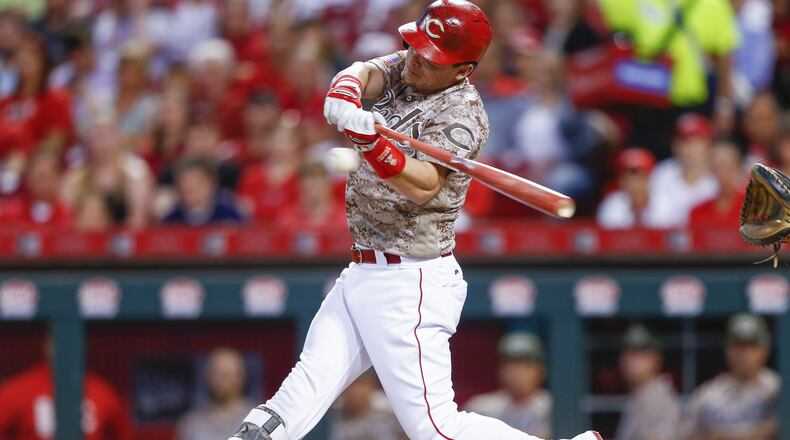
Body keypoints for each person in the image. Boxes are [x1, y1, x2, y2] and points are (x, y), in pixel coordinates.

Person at [228, 2, 599, 440]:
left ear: (462, 70)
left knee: (435, 428)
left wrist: (371, 143)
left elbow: (424, 184)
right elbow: (365, 70)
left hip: (410, 280)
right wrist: (344, 92)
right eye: (415, 47)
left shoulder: (462, 113)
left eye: (431, 58)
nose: (416, 60)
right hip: (363, 271)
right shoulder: (412, 63)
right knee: (295, 401)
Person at [0, 334, 131, 440]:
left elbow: (123, 434)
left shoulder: (102, 391)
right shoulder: (18, 390)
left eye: (71, 341)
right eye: (58, 340)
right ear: (46, 344)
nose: (65, 348)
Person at [681, 313, 780, 440]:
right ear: (728, 349)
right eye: (739, 346)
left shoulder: (778, 389)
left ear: (765, 350)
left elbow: (780, 428)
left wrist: (725, 436)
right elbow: (686, 434)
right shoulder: (709, 394)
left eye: (752, 346)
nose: (745, 354)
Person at [465, 333, 552, 439]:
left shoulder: (554, 408)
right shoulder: (481, 408)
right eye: (512, 366)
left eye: (526, 366)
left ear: (540, 370)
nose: (518, 373)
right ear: (500, 370)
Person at [647, 113, 718, 228]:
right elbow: (655, 220)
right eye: (683, 141)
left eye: (695, 141)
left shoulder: (720, 175)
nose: (688, 148)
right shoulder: (662, 174)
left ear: (709, 145)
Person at [616, 324, 680, 440]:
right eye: (628, 353)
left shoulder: (659, 398)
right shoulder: (639, 396)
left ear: (657, 359)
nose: (632, 361)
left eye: (640, 354)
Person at [176, 348, 254, 440]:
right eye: (215, 373)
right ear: (207, 376)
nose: (220, 381)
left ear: (241, 377)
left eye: (226, 375)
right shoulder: (191, 422)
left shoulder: (256, 418)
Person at [163, 156, 244, 226]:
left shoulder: (230, 216)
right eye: (183, 182)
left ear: (212, 183)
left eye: (196, 182)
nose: (189, 187)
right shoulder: (171, 221)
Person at [596, 148, 663, 229]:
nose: (634, 184)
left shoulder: (665, 202)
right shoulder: (612, 203)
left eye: (640, 178)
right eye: (628, 179)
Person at [328, 369, 404, 440]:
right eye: (352, 384)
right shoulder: (335, 408)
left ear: (371, 384)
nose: (356, 391)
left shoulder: (388, 407)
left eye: (361, 384)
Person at [688, 143, 746, 228]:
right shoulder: (698, 212)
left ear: (738, 168)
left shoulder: (752, 208)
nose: (721, 172)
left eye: (726, 166)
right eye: (716, 166)